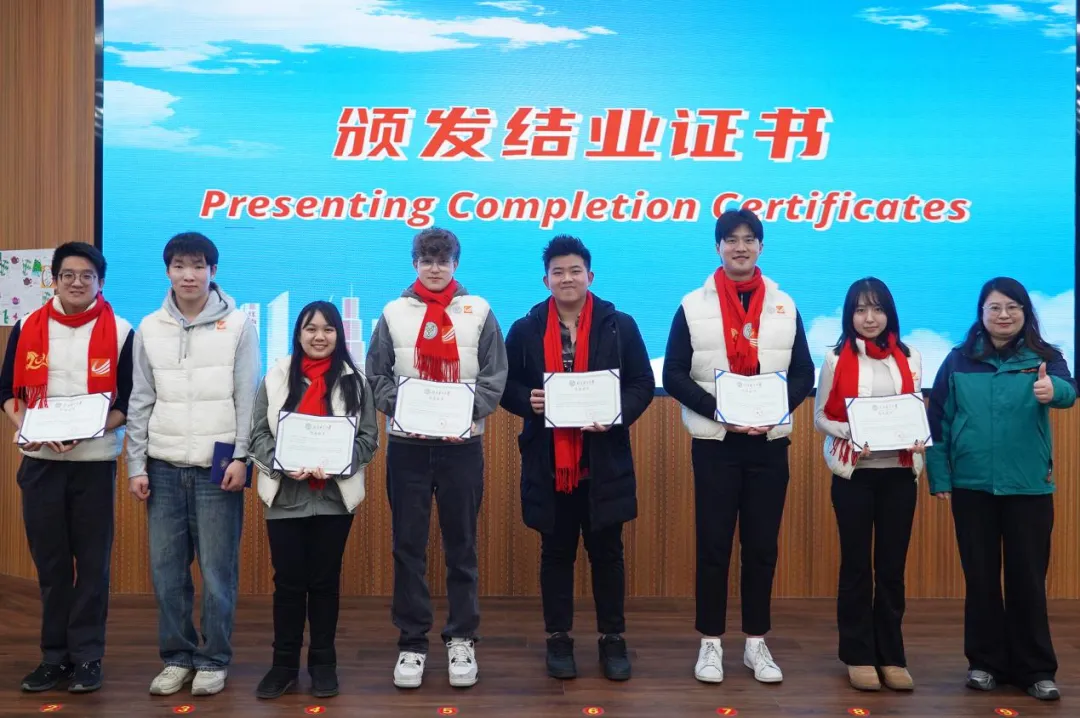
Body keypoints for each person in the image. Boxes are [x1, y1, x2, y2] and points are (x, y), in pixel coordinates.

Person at [662, 208, 814, 684]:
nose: (741, 247)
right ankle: (710, 642)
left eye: (750, 239)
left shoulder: (784, 305)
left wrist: (774, 410)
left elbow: (804, 373)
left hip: (769, 443)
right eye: (732, 239)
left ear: (761, 247)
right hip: (716, 444)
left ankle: (755, 642)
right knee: (713, 545)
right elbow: (672, 374)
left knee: (762, 546)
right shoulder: (692, 305)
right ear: (718, 247)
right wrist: (719, 410)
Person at [500, 235, 654, 681]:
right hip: (549, 463)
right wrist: (526, 400)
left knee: (608, 554)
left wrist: (616, 413)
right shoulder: (525, 328)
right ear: (545, 280)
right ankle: (558, 639)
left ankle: (612, 639)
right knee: (556, 553)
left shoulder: (619, 325)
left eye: (575, 271)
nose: (566, 278)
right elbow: (505, 386)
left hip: (603, 460)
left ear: (590, 275)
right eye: (558, 272)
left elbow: (643, 383)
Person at [366, 227, 507, 689]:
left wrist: (463, 412)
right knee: (407, 546)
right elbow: (376, 374)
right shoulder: (393, 312)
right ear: (414, 264)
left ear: (455, 264)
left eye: (442, 260)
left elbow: (495, 375)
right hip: (407, 447)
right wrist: (403, 408)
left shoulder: (479, 311)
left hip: (461, 447)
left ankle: (461, 637)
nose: (434, 268)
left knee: (461, 546)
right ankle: (411, 642)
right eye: (426, 260)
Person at [927, 277, 1075, 702]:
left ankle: (1036, 669)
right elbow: (938, 421)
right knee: (981, 579)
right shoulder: (958, 360)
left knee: (1028, 579)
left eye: (1012, 307)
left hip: (1029, 486)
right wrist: (940, 477)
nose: (1004, 315)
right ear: (981, 313)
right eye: (995, 307)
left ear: (1026, 312)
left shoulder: (1045, 358)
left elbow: (1068, 392)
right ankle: (985, 663)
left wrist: (1053, 390)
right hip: (972, 485)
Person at [125, 232, 260, 697]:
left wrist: (242, 457)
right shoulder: (149, 327)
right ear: (168, 271)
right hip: (162, 466)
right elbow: (140, 400)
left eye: (198, 265)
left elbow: (248, 396)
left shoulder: (239, 325)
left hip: (217, 467)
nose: (189, 274)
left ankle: (214, 658)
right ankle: (177, 657)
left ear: (213, 271)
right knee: (167, 573)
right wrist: (136, 465)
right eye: (180, 265)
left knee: (219, 574)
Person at [1, 243, 134, 694]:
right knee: (52, 566)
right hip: (41, 463)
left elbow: (127, 402)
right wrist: (31, 427)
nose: (77, 282)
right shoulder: (27, 326)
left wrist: (89, 430)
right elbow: (7, 391)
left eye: (87, 275)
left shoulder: (121, 330)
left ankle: (88, 657)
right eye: (68, 275)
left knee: (93, 567)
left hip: (93, 463)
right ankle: (53, 657)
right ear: (54, 280)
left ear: (101, 282)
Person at [249, 301, 379, 700]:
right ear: (298, 334)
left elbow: (368, 439)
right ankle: (283, 665)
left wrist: (338, 463)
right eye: (310, 329)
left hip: (334, 499)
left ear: (339, 334)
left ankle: (323, 664)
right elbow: (257, 434)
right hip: (285, 497)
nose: (319, 336)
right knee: (288, 584)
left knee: (324, 582)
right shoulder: (276, 377)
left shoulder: (355, 381)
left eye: (328, 329)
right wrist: (282, 463)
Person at [814, 278, 926, 692]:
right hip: (854, 475)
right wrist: (851, 430)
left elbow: (916, 409)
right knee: (857, 566)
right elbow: (820, 416)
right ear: (850, 315)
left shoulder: (911, 357)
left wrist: (918, 436)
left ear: (889, 313)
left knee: (892, 568)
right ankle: (859, 655)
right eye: (860, 310)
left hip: (899, 474)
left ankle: (892, 656)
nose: (869, 318)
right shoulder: (834, 359)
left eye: (877, 309)